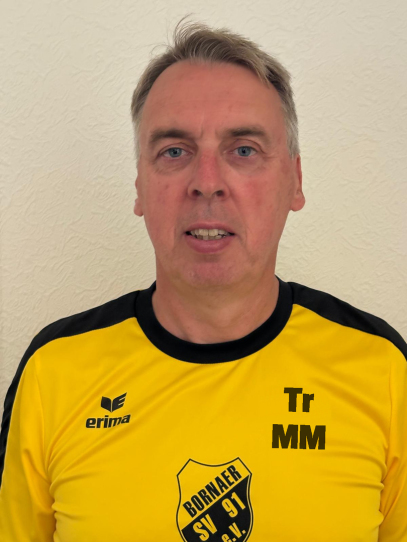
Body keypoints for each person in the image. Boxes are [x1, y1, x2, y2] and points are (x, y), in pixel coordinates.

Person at [0, 18, 406, 542]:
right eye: (174, 151)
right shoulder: (53, 373)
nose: (207, 183)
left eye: (244, 150)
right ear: (140, 185)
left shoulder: (382, 371)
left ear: (295, 181)